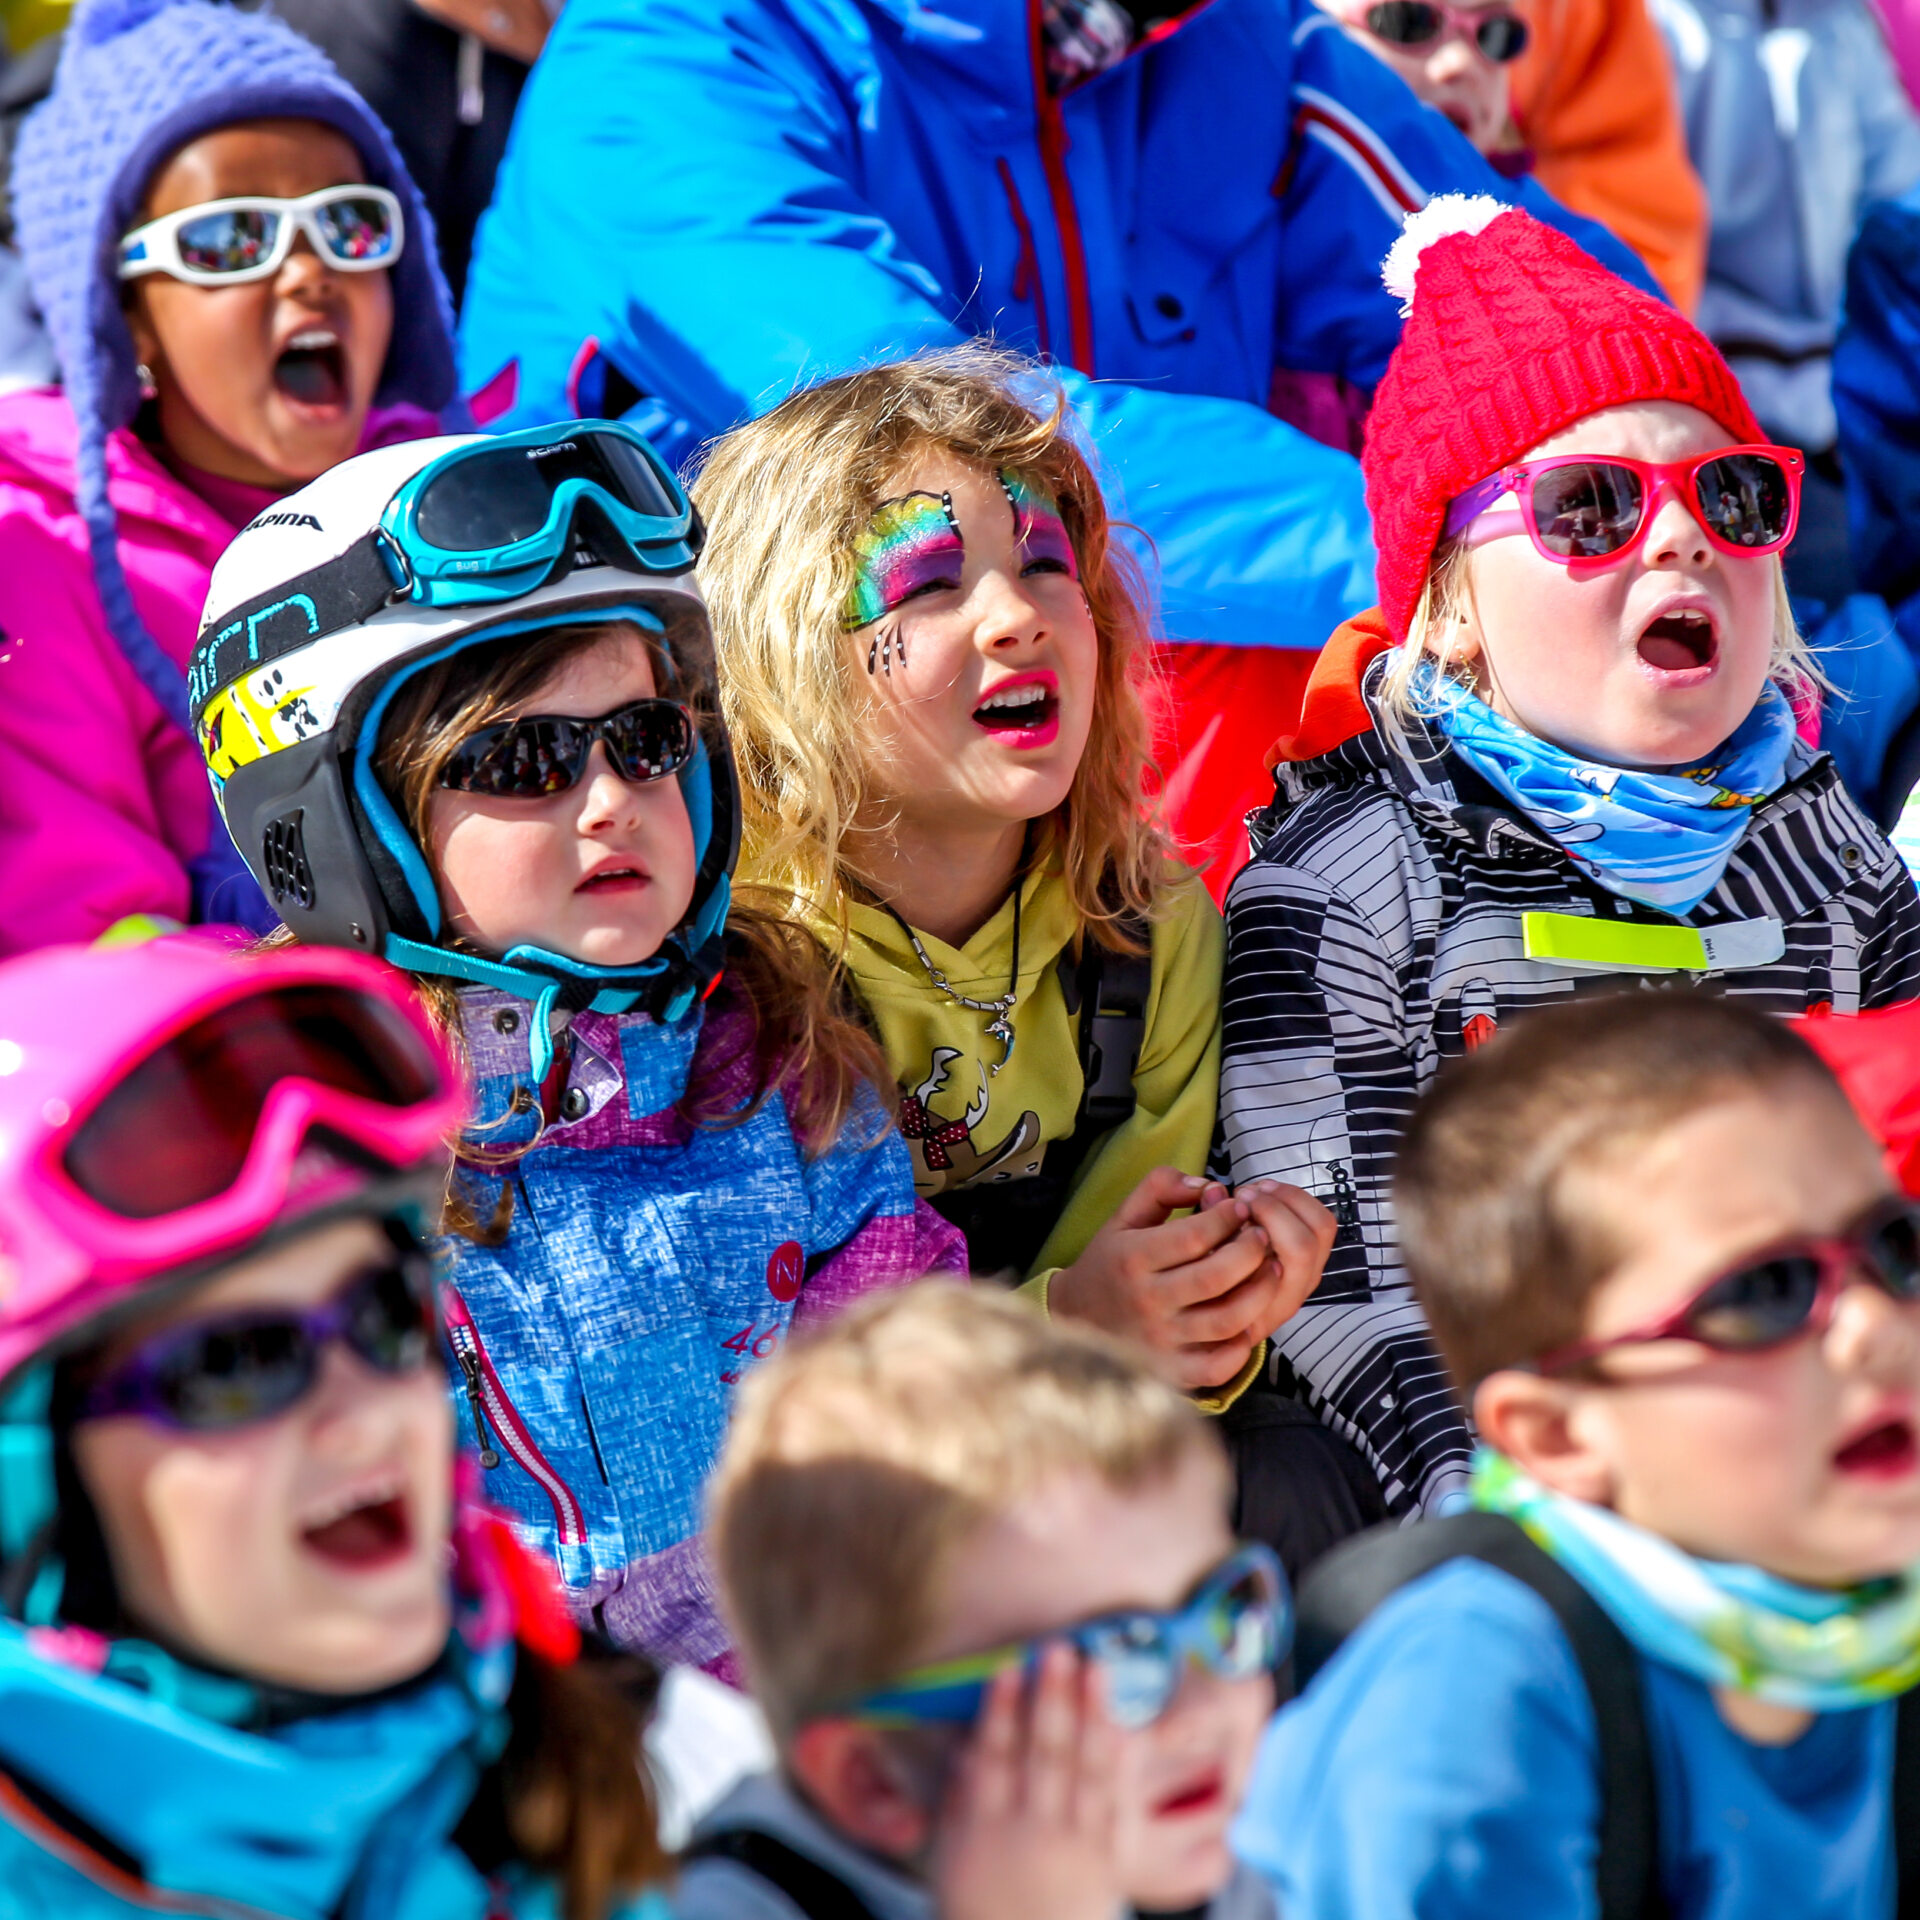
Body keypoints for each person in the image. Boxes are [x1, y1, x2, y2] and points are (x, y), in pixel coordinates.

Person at [454, 0, 1658, 892]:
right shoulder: (671, 56)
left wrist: (1644, 532)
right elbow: (932, 435)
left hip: (1119, 731)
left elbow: (1565, 327)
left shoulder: (1235, 45)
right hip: (746, 799)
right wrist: (1496, 574)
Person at [191, 420, 963, 1673]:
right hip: (489, 1746)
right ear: (343, 828)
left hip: (793, 1701)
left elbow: (913, 1410)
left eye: (648, 743)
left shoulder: (780, 1076)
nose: (611, 800)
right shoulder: (294, 1163)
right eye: (524, 759)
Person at [1218, 195, 1920, 1520]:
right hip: (1488, 1472)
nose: (1677, 536)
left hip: (1807, 1420)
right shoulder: (1348, 879)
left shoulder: (1837, 863)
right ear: (1452, 609)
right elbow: (1341, 1283)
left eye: (1733, 492)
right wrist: (1505, 1501)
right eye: (1588, 507)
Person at [696, 350, 1337, 1429]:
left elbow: (1133, 1308)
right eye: (930, 584)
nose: (1017, 616)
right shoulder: (726, 971)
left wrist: (1218, 1295)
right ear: (780, 661)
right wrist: (1071, 1327)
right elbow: (756, 1386)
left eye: (1047, 564)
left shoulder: (1155, 927)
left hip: (1084, 1457)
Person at [0, 932, 672, 1919]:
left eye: (381, 1317)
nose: (365, 1417)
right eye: (232, 1366)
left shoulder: (567, 1778)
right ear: (31, 1493)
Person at [1236, 993, 1920, 1920]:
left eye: (1897, 1246)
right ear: (1557, 1434)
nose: (1876, 1327)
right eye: (1764, 1290)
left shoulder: (1880, 1608)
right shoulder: (1476, 1691)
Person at [0, 0, 458, 953]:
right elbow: (83, 934)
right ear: (122, 314)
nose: (307, 271)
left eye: (349, 225)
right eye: (230, 240)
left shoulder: (464, 502)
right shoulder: (41, 553)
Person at [684, 1281, 1283, 1920]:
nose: (1203, 1708)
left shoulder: (1200, 1841)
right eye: (1116, 1660)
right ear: (875, 1781)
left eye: (1227, 1610)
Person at [1652, 0, 1920, 605]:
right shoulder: (1658, 26)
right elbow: (1647, 231)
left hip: (1844, 375)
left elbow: (1897, 184)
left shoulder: (1839, 22)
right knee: (1802, 586)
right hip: (1719, 391)